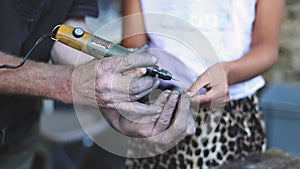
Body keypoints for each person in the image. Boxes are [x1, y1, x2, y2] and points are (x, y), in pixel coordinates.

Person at [0, 0, 195, 168]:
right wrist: (69, 84)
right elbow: (69, 81)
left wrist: (112, 91)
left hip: (18, 131)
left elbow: (67, 29)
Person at [122, 0, 285, 168]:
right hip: (159, 110)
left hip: (231, 114)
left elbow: (266, 48)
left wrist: (228, 73)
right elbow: (133, 43)